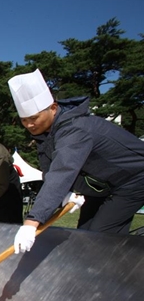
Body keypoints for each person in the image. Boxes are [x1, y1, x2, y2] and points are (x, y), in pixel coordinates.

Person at [8, 69, 144, 253]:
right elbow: (50, 169)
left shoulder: (75, 129)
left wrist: (31, 223)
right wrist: (67, 192)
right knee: (84, 235)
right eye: (24, 120)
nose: (29, 125)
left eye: (33, 118)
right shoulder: (44, 133)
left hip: (134, 178)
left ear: (53, 108)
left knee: (102, 237)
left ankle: (121, 274)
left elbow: (62, 171)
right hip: (103, 184)